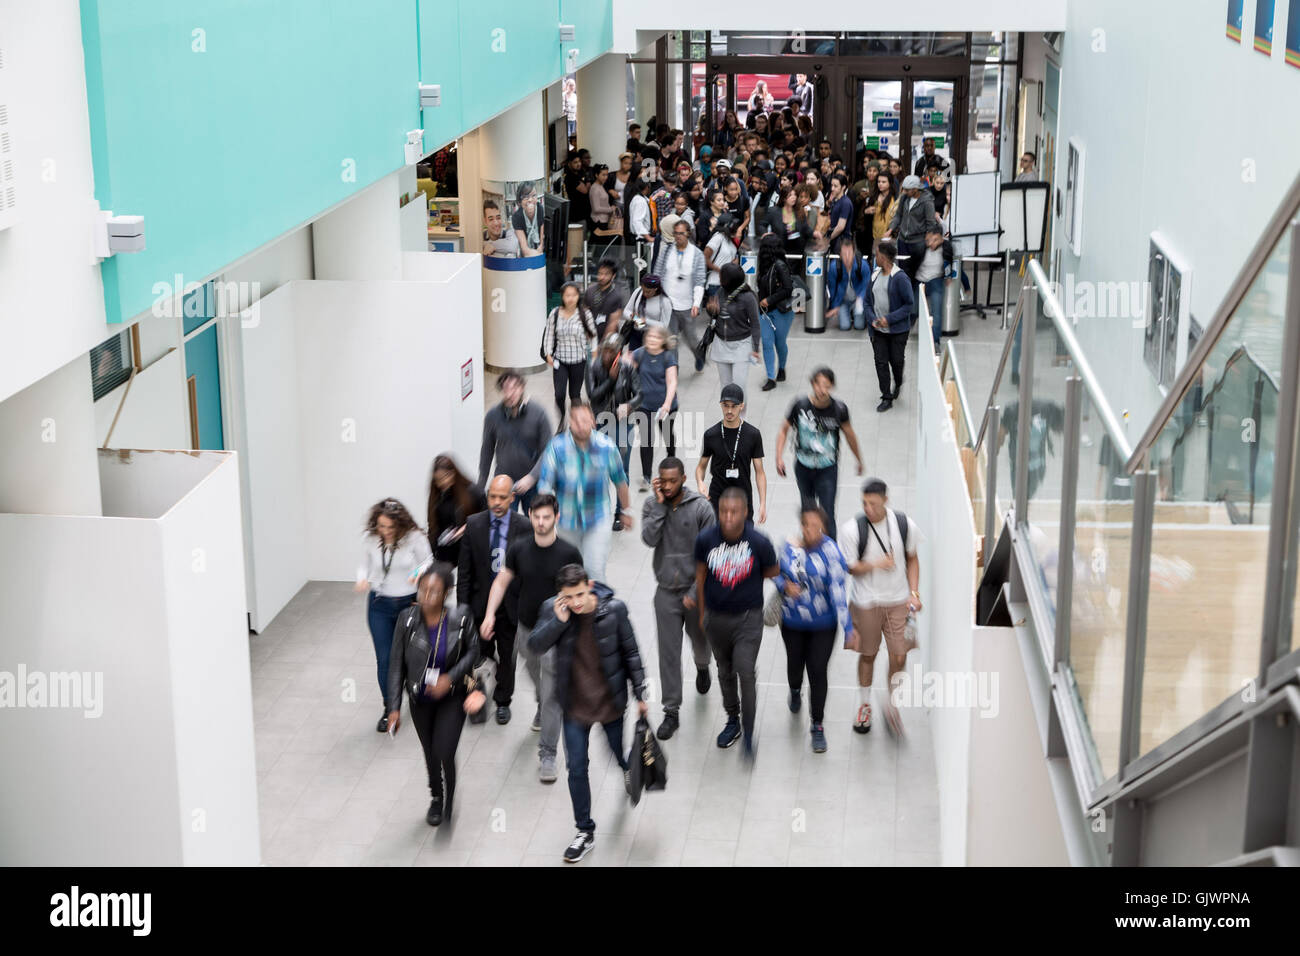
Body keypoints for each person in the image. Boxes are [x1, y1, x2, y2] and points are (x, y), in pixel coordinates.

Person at [528, 564, 648, 863]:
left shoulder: (614, 610)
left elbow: (631, 651)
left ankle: (627, 768)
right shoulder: (555, 610)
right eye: (569, 597)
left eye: (581, 594)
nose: (577, 602)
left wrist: (641, 694)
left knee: (617, 752)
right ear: (561, 596)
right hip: (574, 707)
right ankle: (584, 831)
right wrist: (557, 621)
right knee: (577, 768)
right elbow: (534, 645)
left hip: (610, 702)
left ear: (590, 585)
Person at [479, 493, 582, 782]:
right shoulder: (519, 548)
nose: (540, 522)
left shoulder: (569, 553)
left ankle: (547, 754)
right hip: (525, 631)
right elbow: (501, 582)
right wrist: (489, 615)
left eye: (546, 516)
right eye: (536, 516)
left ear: (556, 517)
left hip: (556, 635)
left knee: (552, 695)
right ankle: (540, 699)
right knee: (536, 678)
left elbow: (579, 594)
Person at [386, 563, 485, 826]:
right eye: (423, 590)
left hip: (452, 695)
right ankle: (436, 797)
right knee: (430, 752)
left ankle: (450, 798)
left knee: (444, 750)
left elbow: (473, 652)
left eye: (434, 591)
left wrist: (449, 679)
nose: (426, 596)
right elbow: (396, 665)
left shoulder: (460, 618)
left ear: (446, 593)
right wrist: (393, 707)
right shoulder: (406, 620)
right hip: (421, 699)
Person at [694, 487, 779, 755]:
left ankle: (749, 731)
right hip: (716, 620)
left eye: (734, 512)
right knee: (724, 671)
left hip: (747, 619)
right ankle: (733, 719)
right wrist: (702, 615)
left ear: (745, 513)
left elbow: (772, 569)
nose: (728, 517)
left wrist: (747, 585)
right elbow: (700, 576)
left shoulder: (759, 542)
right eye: (723, 512)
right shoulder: (706, 539)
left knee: (745, 671)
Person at [640, 456, 716, 741]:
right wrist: (660, 505)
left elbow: (710, 553)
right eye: (664, 481)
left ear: (684, 479)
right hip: (665, 593)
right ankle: (671, 711)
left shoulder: (701, 508)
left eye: (674, 481)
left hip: (696, 590)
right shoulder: (652, 504)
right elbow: (648, 539)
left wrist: (695, 591)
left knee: (700, 640)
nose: (669, 486)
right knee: (668, 654)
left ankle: (702, 666)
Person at [840, 478, 921, 735]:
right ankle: (864, 704)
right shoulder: (852, 530)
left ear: (885, 500)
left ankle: (891, 704)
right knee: (869, 654)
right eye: (864, 503)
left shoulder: (904, 525)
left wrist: (914, 592)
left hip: (898, 601)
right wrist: (876, 563)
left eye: (873, 504)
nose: (868, 509)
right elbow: (850, 567)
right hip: (867, 601)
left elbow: (912, 558)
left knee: (900, 655)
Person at [774, 506, 853, 754]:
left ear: (824, 528)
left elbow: (839, 592)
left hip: (823, 625)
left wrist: (849, 628)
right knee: (795, 666)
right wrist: (784, 586)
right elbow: (774, 571)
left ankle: (817, 725)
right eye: (807, 525)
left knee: (818, 671)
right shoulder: (789, 546)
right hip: (792, 621)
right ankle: (795, 689)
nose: (811, 530)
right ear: (801, 525)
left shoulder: (832, 553)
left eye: (816, 526)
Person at [456, 475, 530, 725]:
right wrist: (462, 610)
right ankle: (476, 695)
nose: (497, 502)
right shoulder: (474, 524)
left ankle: (503, 701)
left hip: (510, 607)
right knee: (475, 656)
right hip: (478, 606)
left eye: (502, 497)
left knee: (507, 656)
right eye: (492, 497)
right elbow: (464, 572)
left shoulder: (524, 526)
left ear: (512, 497)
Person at [355, 498, 430, 733]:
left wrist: (416, 573)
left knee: (412, 656)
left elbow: (429, 561)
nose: (385, 532)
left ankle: (418, 698)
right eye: (381, 527)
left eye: (390, 527)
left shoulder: (414, 538)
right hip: (379, 604)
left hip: (409, 604)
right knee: (385, 659)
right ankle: (390, 708)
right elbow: (363, 565)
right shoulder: (371, 540)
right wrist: (362, 579)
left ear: (400, 524)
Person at [536, 402, 632, 583]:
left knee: (594, 571)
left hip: (597, 520)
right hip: (566, 522)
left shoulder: (607, 447)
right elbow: (545, 485)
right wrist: (547, 515)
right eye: (576, 421)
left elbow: (620, 481)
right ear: (570, 422)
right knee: (568, 573)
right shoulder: (557, 447)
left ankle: (597, 609)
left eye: (584, 420)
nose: (580, 425)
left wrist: (626, 511)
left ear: (593, 422)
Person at [775, 366, 864, 537]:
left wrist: (858, 460)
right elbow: (783, 429)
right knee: (807, 511)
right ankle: (809, 546)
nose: (822, 390)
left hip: (827, 468)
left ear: (832, 387)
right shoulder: (800, 405)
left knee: (828, 512)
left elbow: (850, 435)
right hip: (803, 466)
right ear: (813, 384)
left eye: (827, 386)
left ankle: (831, 551)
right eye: (819, 385)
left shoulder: (839, 409)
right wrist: (779, 457)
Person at [585, 333, 641, 529]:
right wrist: (610, 380)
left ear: (619, 352)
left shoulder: (626, 368)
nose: (607, 355)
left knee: (621, 467)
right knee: (599, 467)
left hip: (622, 422)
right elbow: (593, 396)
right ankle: (601, 509)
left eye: (612, 351)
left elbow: (639, 394)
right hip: (601, 421)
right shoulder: (594, 367)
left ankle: (620, 511)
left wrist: (629, 405)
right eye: (605, 351)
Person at [478, 370, 553, 514]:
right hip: (503, 483)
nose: (510, 393)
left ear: (522, 388)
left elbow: (548, 451)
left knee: (533, 525)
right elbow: (486, 451)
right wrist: (481, 485)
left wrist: (532, 477)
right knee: (503, 526)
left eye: (514, 388)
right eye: (506, 388)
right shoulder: (493, 416)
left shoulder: (538, 413)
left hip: (532, 482)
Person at [697, 383, 767, 522]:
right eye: (725, 405)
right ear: (721, 405)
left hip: (743, 497)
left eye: (733, 406)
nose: (729, 410)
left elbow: (759, 471)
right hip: (717, 498)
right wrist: (700, 482)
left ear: (742, 406)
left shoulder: (753, 434)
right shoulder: (711, 434)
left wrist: (763, 502)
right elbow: (701, 466)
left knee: (744, 540)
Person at [865, 240, 916, 412]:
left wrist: (889, 319)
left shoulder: (900, 278)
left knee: (896, 360)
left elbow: (909, 304)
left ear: (883, 257)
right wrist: (873, 319)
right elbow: (867, 303)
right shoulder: (874, 275)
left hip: (897, 330)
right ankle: (886, 396)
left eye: (876, 254)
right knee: (880, 362)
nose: (875, 257)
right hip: (878, 330)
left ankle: (899, 380)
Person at [651, 220, 707, 367]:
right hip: (668, 304)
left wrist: (696, 303)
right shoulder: (667, 251)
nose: (678, 236)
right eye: (675, 233)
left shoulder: (697, 254)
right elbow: (657, 274)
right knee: (671, 340)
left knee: (691, 338)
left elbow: (700, 281)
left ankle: (698, 355)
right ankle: (672, 369)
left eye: (681, 233)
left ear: (688, 233)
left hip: (687, 305)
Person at [629, 324, 678, 491]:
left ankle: (672, 459)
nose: (652, 340)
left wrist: (667, 404)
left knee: (667, 435)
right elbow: (627, 372)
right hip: (643, 405)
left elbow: (672, 382)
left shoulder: (668, 357)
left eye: (656, 337)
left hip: (665, 406)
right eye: (650, 336)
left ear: (663, 340)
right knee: (646, 440)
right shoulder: (639, 354)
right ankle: (647, 476)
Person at [542, 281, 598, 424]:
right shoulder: (555, 313)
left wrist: (594, 354)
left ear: (578, 296)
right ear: (562, 297)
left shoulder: (585, 314)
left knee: (575, 395)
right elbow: (548, 335)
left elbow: (593, 336)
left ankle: (576, 422)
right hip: (560, 360)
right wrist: (548, 354)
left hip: (579, 360)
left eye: (574, 295)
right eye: (567, 295)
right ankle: (562, 419)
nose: (571, 298)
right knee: (559, 395)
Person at [706, 261, 761, 395]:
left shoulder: (748, 297)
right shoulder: (720, 292)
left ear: (729, 280)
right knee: (725, 387)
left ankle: (742, 416)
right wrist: (711, 310)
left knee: (739, 387)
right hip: (721, 343)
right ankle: (728, 416)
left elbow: (755, 323)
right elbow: (716, 316)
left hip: (741, 345)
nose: (719, 278)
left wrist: (755, 348)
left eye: (722, 276)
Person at [426, 454, 487, 566]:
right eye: (438, 480)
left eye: (446, 477)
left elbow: (486, 518)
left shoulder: (473, 492)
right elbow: (433, 528)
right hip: (445, 551)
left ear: (454, 473)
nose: (443, 483)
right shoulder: (437, 496)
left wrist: (466, 528)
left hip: (469, 548)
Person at [755, 231, 795, 390]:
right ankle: (771, 377)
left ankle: (782, 368)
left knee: (779, 343)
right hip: (765, 312)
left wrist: (769, 300)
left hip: (781, 311)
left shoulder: (780, 265)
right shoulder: (764, 266)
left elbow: (788, 289)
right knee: (766, 343)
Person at [883, 175, 936, 286]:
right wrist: (891, 229)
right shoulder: (904, 198)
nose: (905, 192)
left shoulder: (927, 201)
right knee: (903, 271)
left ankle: (916, 298)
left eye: (907, 190)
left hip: (918, 241)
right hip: (903, 240)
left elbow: (930, 223)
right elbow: (898, 215)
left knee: (916, 274)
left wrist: (928, 239)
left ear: (915, 189)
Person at [915, 224, 955, 354]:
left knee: (936, 309)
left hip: (936, 279)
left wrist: (948, 276)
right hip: (919, 280)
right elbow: (910, 266)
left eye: (935, 240)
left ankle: (935, 340)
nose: (931, 243)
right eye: (929, 240)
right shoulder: (920, 247)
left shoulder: (947, 247)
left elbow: (949, 261)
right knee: (914, 308)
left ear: (942, 239)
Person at [619, 273, 674, 352]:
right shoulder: (638, 292)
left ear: (655, 289)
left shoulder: (665, 302)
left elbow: (664, 325)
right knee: (633, 361)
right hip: (636, 334)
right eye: (643, 290)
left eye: (648, 292)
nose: (644, 294)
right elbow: (626, 311)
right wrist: (635, 318)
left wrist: (646, 321)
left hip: (653, 337)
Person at [582, 258, 628, 340]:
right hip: (589, 337)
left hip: (607, 341)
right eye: (600, 273)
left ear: (613, 276)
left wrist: (603, 344)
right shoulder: (590, 290)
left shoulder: (616, 296)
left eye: (606, 274)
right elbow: (584, 314)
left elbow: (613, 323)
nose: (602, 277)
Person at [512, 183, 546, 257]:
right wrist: (536, 255)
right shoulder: (516, 217)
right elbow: (525, 249)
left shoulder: (540, 209)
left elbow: (542, 242)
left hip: (540, 253)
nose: (530, 200)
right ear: (519, 202)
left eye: (533, 195)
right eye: (526, 197)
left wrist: (539, 252)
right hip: (526, 256)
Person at [867, 171, 898, 251]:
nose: (880, 184)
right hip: (873, 235)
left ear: (890, 183)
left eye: (883, 182)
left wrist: (892, 232)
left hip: (889, 236)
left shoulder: (894, 198)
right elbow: (865, 216)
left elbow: (898, 217)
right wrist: (867, 211)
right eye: (879, 182)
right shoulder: (873, 197)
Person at [563, 151, 592, 227]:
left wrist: (586, 182)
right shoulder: (570, 177)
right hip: (577, 215)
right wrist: (587, 182)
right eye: (575, 162)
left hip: (584, 213)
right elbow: (585, 190)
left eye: (579, 161)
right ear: (569, 163)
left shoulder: (579, 173)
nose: (578, 164)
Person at [588, 164, 614, 228]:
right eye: (603, 175)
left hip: (603, 220)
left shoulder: (600, 185)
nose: (606, 177)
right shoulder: (595, 188)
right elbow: (596, 209)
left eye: (607, 174)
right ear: (596, 175)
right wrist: (610, 209)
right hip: (598, 222)